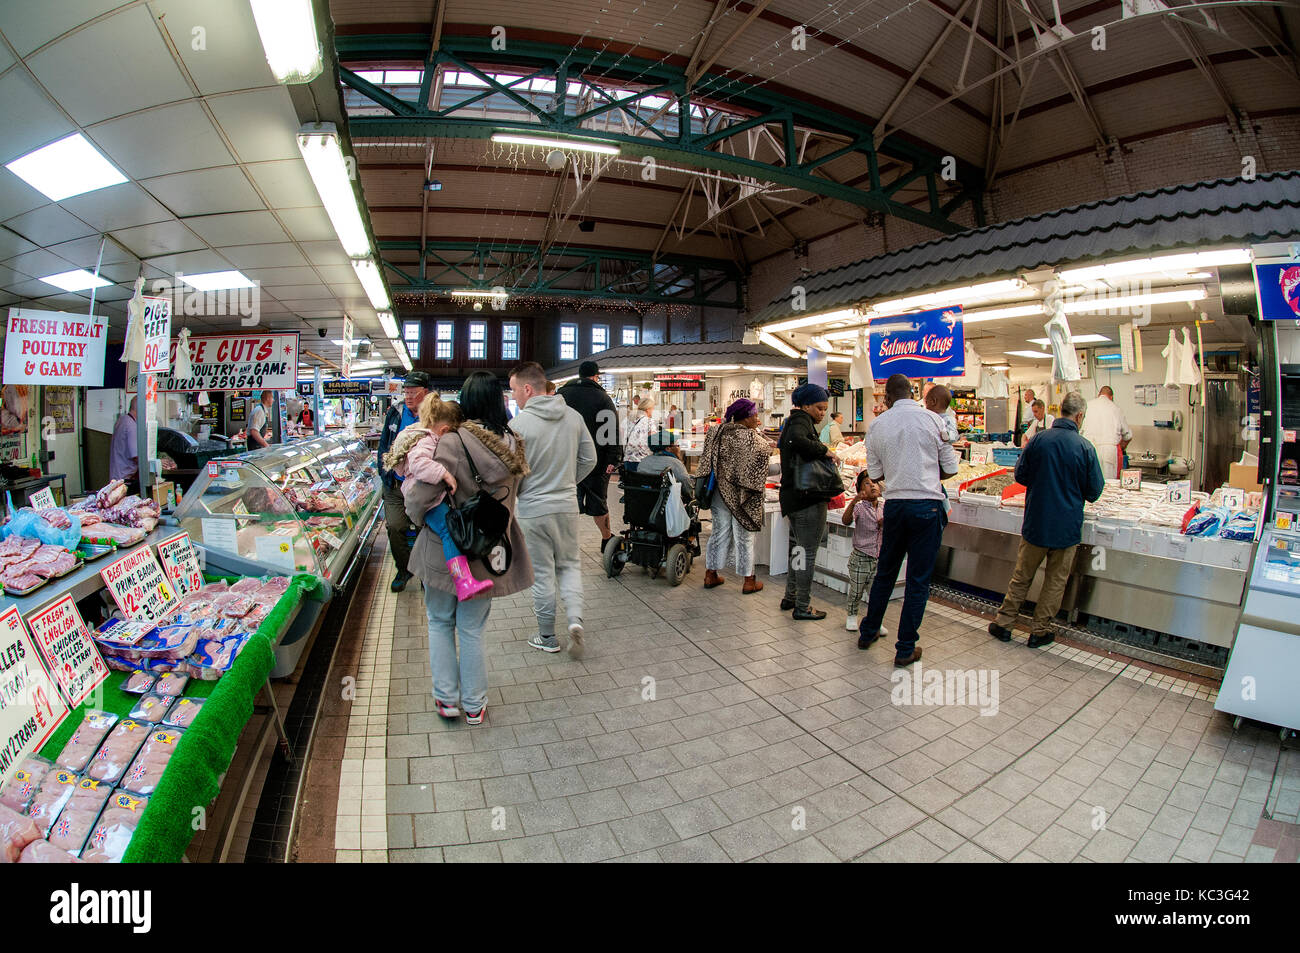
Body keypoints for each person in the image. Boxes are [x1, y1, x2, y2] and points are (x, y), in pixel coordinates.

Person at [403, 371, 532, 725]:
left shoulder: (453, 442)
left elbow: (424, 496)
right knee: (473, 629)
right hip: (490, 551)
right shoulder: (514, 444)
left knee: (440, 621)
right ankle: (475, 705)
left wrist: (412, 511)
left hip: (447, 553)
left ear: (467, 402)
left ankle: (447, 701)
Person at [989, 391, 1105, 648]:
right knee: (1055, 581)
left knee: (1022, 575)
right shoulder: (1085, 447)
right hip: (1066, 528)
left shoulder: (1039, 440)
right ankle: (1039, 631)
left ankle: (1004, 623)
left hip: (1036, 523)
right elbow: (1095, 491)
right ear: (1080, 416)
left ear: (1061, 411)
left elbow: (1020, 476)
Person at [858, 373, 960, 666]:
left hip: (895, 507)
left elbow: (875, 476)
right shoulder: (933, 420)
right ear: (913, 393)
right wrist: (925, 472)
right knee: (918, 580)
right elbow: (951, 468)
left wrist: (900, 471)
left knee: (886, 572)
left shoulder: (877, 425)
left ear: (887, 398)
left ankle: (868, 632)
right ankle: (905, 648)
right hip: (927, 507)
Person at [510, 361, 596, 657]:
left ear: (528, 388)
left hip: (533, 510)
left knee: (544, 573)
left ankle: (547, 636)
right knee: (570, 565)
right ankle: (574, 620)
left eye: (514, 391)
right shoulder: (573, 418)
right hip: (567, 505)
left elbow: (511, 473)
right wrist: (568, 481)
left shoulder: (517, 426)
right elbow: (590, 459)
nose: (513, 399)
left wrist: (521, 493)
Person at [383, 396, 494, 602]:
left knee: (447, 531)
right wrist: (444, 473)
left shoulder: (419, 434)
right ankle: (463, 582)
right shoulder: (425, 440)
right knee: (448, 532)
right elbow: (418, 464)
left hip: (421, 496)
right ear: (443, 431)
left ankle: (463, 581)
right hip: (422, 497)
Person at [698, 398, 770, 594]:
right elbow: (763, 462)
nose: (757, 418)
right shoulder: (754, 440)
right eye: (754, 415)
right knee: (744, 536)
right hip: (742, 495)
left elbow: (706, 460)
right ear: (745, 418)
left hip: (718, 492)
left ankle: (710, 574)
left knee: (719, 532)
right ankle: (748, 580)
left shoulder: (716, 431)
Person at [778, 382, 835, 620]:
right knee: (806, 552)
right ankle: (802, 605)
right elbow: (797, 441)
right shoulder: (800, 422)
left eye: (825, 409)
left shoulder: (793, 421)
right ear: (807, 405)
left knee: (798, 549)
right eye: (819, 408)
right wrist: (825, 450)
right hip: (807, 499)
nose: (822, 413)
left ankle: (791, 596)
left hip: (794, 498)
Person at [559, 360, 622, 551]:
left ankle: (563, 543)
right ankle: (606, 540)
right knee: (598, 503)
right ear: (595, 376)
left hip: (566, 461)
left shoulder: (560, 395)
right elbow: (611, 430)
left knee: (568, 502)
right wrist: (613, 458)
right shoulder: (602, 398)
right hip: (597, 462)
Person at [377, 371, 432, 592]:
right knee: (395, 526)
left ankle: (423, 572)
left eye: (413, 392)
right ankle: (404, 568)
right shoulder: (396, 412)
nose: (408, 396)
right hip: (395, 484)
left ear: (425, 393)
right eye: (406, 392)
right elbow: (384, 445)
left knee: (423, 528)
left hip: (421, 486)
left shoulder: (434, 415)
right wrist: (385, 473)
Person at [842, 471, 885, 632]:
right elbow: (846, 521)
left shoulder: (884, 506)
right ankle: (852, 616)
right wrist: (854, 501)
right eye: (867, 483)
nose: (873, 485)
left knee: (876, 593)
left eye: (875, 482)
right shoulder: (859, 507)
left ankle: (875, 621)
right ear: (860, 489)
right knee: (856, 590)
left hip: (878, 557)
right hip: (860, 557)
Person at [1080, 385, 1132, 478]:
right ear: (1111, 397)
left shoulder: (1087, 406)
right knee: (1108, 483)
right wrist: (1122, 446)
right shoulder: (1116, 408)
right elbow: (1128, 435)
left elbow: (1079, 430)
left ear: (1098, 394)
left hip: (1089, 449)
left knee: (1089, 482)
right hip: (1109, 451)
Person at [635, 428, 694, 500]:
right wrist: (691, 498)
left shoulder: (643, 462)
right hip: (667, 504)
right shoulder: (675, 463)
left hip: (643, 501)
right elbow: (686, 484)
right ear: (668, 448)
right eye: (677, 445)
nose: (679, 448)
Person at [109, 397, 139, 483]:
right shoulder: (131, 426)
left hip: (117, 475)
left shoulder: (122, 420)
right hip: (125, 478)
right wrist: (155, 463)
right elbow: (136, 456)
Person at [624, 397, 655, 472]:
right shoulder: (650, 422)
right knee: (644, 482)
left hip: (628, 458)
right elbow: (653, 441)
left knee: (631, 482)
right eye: (652, 408)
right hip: (643, 460)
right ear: (648, 409)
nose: (653, 410)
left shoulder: (630, 420)